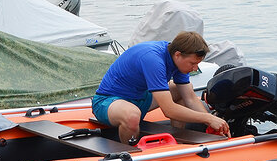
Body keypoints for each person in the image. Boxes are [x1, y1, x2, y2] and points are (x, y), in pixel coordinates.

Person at [92, 31, 230, 144]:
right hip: (108, 101)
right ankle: (128, 154)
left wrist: (212, 120)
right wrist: (207, 119)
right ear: (178, 55)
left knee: (178, 89)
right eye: (192, 63)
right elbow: (168, 110)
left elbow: (190, 99)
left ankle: (178, 140)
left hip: (140, 99)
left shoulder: (177, 59)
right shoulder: (153, 59)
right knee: (132, 115)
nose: (195, 68)